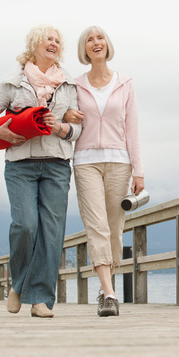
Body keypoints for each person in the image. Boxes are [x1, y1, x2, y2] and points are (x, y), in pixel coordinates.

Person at [0, 25, 81, 318]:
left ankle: (40, 300)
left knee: (51, 231)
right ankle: (18, 284)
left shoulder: (69, 84)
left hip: (57, 164)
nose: (55, 43)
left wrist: (60, 127)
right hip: (20, 164)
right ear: (35, 44)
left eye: (58, 40)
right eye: (49, 39)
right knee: (25, 226)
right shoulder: (12, 82)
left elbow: (78, 129)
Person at [64, 25, 144, 317]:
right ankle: (109, 294)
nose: (95, 43)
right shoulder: (74, 85)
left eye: (99, 38)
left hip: (119, 162)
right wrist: (66, 114)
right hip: (85, 161)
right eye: (89, 39)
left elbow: (132, 129)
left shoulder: (125, 84)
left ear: (107, 45)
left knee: (114, 229)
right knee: (95, 226)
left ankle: (104, 286)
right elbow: (65, 117)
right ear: (84, 49)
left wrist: (139, 171)